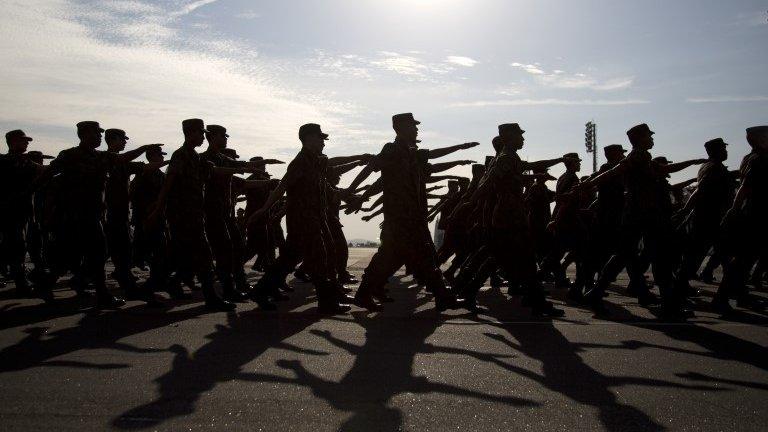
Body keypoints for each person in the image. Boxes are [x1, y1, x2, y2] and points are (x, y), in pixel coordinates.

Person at [344, 113, 469, 312]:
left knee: (406, 258)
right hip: (400, 219)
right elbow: (370, 168)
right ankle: (442, 297)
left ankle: (365, 295)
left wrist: (458, 148)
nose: (417, 129)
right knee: (403, 258)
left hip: (412, 218)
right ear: (400, 128)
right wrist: (353, 193)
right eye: (413, 126)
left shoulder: (413, 154)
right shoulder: (392, 150)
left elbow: (434, 157)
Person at [248, 123, 354, 314]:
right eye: (320, 138)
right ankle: (327, 303)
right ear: (308, 138)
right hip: (303, 221)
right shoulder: (300, 163)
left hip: (316, 218)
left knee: (289, 258)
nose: (323, 142)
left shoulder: (316, 162)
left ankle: (260, 291)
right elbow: (283, 187)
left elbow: (322, 186)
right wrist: (265, 209)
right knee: (320, 258)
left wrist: (339, 194)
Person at [148, 118, 237, 312]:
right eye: (200, 133)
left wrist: (242, 169)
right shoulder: (180, 155)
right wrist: (158, 209)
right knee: (201, 254)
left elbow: (216, 170)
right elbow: (169, 182)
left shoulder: (196, 157)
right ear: (191, 133)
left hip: (195, 214)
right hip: (181, 215)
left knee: (183, 255)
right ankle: (211, 298)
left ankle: (159, 286)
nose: (203, 137)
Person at [714, 126, 768, 313]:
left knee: (746, 258)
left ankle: (741, 295)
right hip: (756, 214)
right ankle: (721, 299)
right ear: (761, 140)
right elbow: (745, 187)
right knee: (744, 259)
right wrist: (734, 210)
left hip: (753, 212)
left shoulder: (749, 157)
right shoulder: (760, 159)